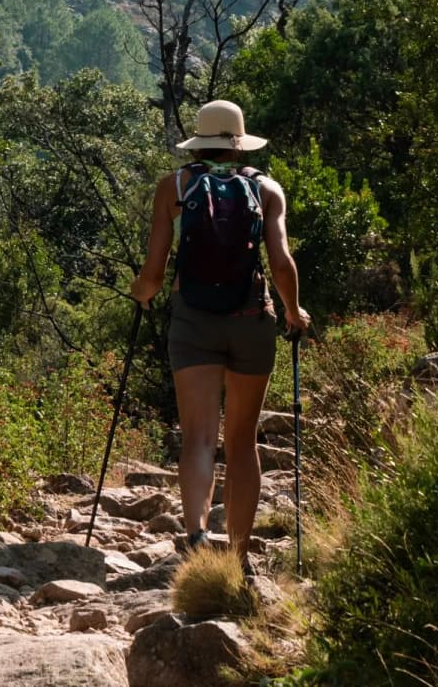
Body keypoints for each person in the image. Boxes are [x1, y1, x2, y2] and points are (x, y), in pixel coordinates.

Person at [130, 99, 309, 572]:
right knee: (243, 439)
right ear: (238, 142)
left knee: (199, 439)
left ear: (199, 142)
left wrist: (141, 292)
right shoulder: (267, 188)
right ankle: (238, 551)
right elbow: (281, 261)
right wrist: (294, 311)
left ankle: (195, 537)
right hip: (252, 318)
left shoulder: (174, 186)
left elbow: (155, 269)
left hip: (194, 320)